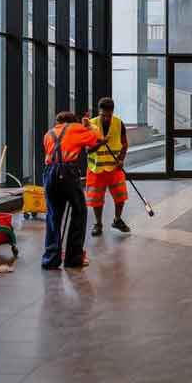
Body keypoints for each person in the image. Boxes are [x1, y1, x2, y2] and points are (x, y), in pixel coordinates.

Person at [42, 111, 104, 269]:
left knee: (53, 215)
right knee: (79, 212)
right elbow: (97, 139)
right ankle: (73, 258)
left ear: (58, 121)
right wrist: (89, 125)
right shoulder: (75, 127)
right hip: (68, 172)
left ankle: (50, 259)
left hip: (49, 173)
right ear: (72, 121)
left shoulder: (48, 134)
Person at [85, 97, 131, 236]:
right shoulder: (91, 124)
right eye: (103, 115)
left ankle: (117, 220)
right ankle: (98, 224)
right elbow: (87, 150)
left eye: (108, 115)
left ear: (112, 112)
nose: (105, 118)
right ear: (99, 111)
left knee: (121, 196)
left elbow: (124, 144)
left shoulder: (119, 123)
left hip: (115, 168)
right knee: (96, 199)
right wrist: (100, 143)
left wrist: (121, 159)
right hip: (96, 169)